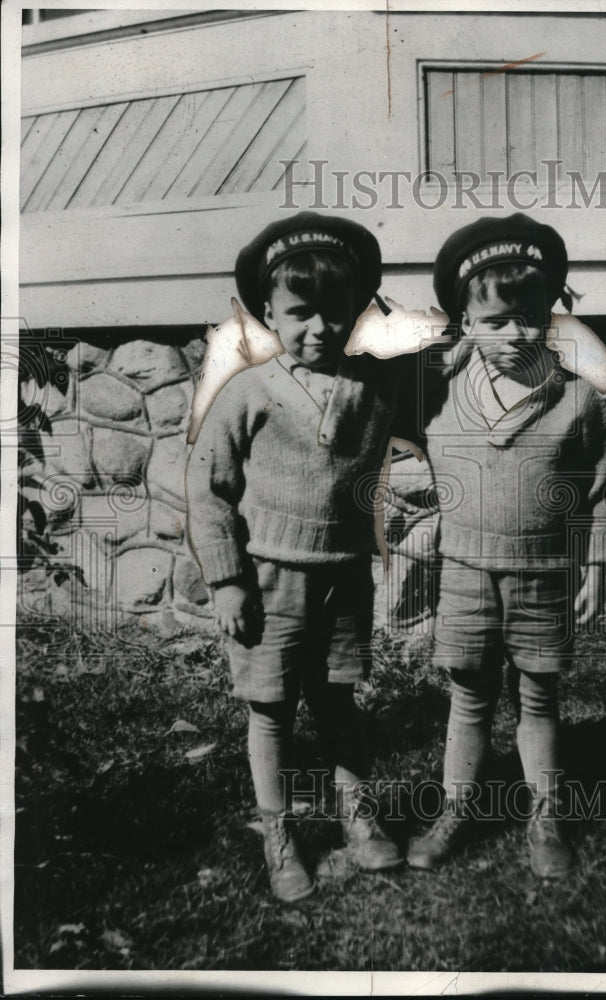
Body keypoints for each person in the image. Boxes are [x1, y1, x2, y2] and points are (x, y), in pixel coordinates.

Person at [186, 212, 407, 903]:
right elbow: (208, 487)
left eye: (335, 313)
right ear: (269, 316)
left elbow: (453, 380)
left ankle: (354, 810)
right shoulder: (247, 394)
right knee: (273, 709)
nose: (319, 329)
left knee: (338, 698)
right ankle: (278, 833)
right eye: (300, 314)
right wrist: (226, 580)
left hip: (343, 573)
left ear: (355, 313)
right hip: (267, 578)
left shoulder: (374, 391)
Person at [406, 213, 606, 878]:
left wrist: (600, 559)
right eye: (495, 321)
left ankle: (547, 813)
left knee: (539, 695)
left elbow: (605, 488)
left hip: (544, 572)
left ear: (550, 314)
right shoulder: (434, 395)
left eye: (529, 317)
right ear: (465, 321)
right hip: (467, 571)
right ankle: (458, 807)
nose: (515, 333)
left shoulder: (576, 401)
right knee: (469, 694)